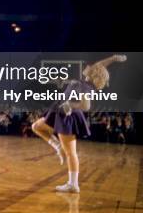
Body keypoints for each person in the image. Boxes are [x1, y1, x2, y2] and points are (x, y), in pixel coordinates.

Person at [31, 54, 127, 193]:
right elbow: (100, 65)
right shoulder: (85, 81)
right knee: (36, 127)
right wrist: (113, 58)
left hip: (68, 116)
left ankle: (73, 184)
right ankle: (58, 147)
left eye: (91, 67)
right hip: (58, 111)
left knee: (71, 153)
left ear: (94, 73)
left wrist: (70, 105)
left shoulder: (86, 87)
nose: (88, 66)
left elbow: (86, 105)